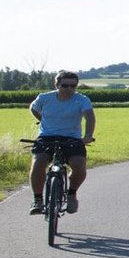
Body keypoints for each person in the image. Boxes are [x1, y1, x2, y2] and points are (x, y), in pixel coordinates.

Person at [27, 70, 96, 215]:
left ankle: (71, 194)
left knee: (79, 165)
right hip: (47, 137)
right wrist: (42, 120)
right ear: (57, 84)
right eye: (65, 86)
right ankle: (37, 200)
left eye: (73, 86)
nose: (69, 89)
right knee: (38, 163)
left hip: (72, 138)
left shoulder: (82, 100)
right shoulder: (45, 98)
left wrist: (88, 135)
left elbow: (89, 116)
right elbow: (33, 108)